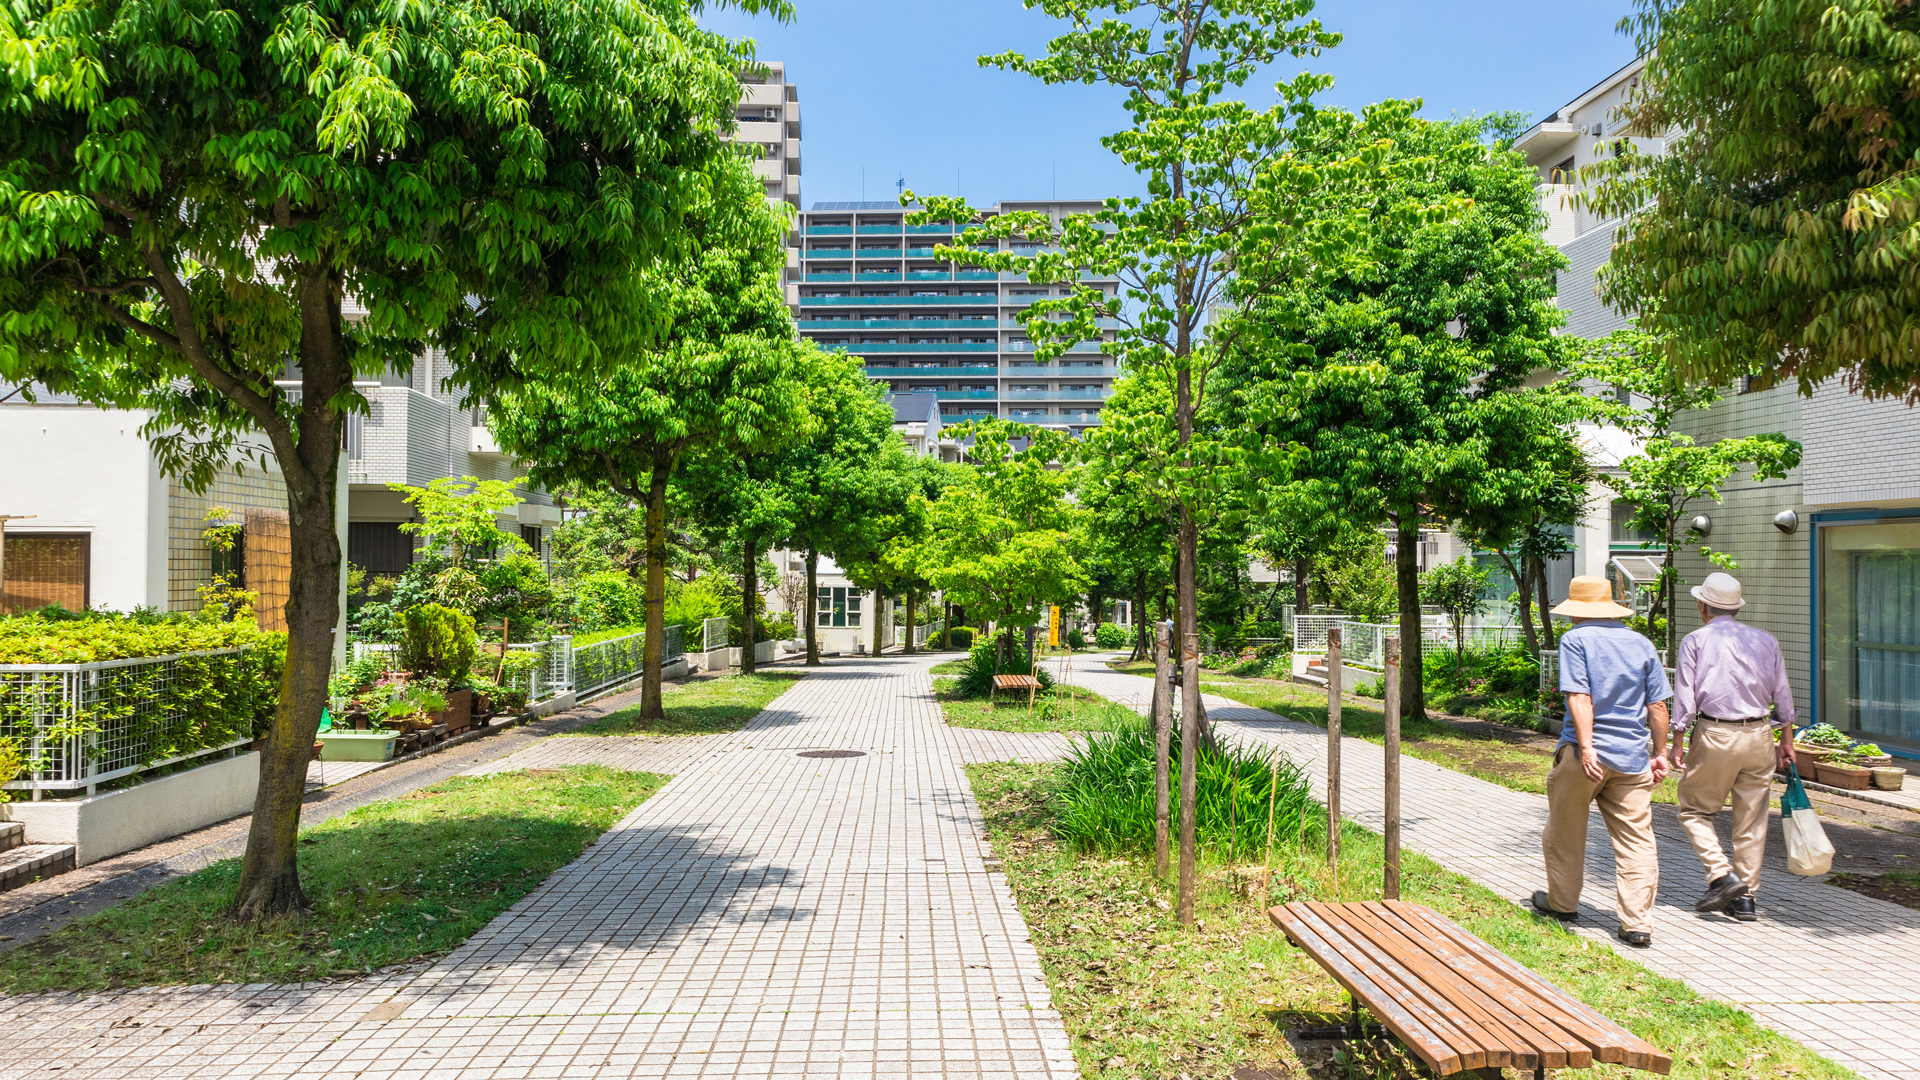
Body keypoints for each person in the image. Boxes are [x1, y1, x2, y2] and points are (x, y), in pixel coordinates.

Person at [1532, 576, 1672, 948]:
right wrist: (1660, 753)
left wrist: (1588, 747)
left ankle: (1562, 904)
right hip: (1632, 757)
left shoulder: (1574, 640)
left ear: (1576, 611)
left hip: (1583, 757)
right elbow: (1658, 705)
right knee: (1637, 840)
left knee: (1566, 830)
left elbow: (1579, 696)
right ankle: (1638, 923)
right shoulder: (1642, 643)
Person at [1668, 572, 1796, 922]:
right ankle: (1745, 900)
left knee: (1694, 810)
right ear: (1736, 607)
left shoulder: (1695, 640)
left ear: (1702, 606)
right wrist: (1786, 741)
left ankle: (1721, 876)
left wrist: (1677, 740)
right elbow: (1782, 694)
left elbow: (1685, 696)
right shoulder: (1766, 640)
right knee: (1752, 820)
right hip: (1760, 735)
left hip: (1716, 734)